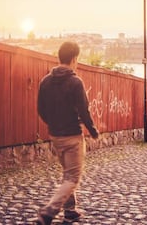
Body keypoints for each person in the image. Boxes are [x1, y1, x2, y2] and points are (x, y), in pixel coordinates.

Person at [36, 41, 99, 225]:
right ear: (73, 59)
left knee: (67, 173)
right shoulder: (75, 82)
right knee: (73, 177)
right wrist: (93, 130)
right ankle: (48, 212)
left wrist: (54, 124)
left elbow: (41, 109)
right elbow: (84, 110)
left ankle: (70, 210)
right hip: (72, 136)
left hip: (55, 136)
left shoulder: (45, 81)